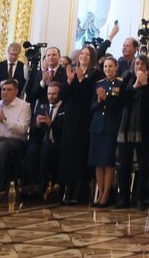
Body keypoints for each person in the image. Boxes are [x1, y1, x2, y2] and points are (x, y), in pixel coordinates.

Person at [60, 45, 100, 204]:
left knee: (81, 153)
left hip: (85, 118)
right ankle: (66, 189)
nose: (83, 56)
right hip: (70, 117)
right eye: (82, 53)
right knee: (68, 153)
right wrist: (70, 81)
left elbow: (88, 96)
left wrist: (81, 80)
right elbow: (62, 95)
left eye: (87, 54)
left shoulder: (96, 74)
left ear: (92, 58)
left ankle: (79, 190)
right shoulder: (70, 72)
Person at [116, 54, 149, 208]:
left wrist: (145, 85)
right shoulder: (127, 80)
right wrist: (135, 87)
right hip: (125, 128)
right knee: (124, 164)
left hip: (144, 128)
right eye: (136, 64)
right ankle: (123, 198)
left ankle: (141, 198)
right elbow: (122, 101)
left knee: (142, 165)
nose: (138, 66)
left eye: (141, 64)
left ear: (146, 66)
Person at [89, 54, 128, 206]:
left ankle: (106, 193)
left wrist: (106, 99)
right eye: (105, 66)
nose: (107, 69)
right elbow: (92, 107)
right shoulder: (98, 83)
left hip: (112, 125)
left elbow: (119, 106)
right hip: (97, 125)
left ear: (116, 67)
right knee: (98, 161)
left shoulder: (121, 83)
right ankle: (99, 192)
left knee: (108, 161)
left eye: (110, 66)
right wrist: (99, 100)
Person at [27, 81, 65, 200]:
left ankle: (44, 183)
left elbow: (65, 131)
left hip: (58, 143)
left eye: (54, 94)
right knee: (32, 150)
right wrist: (37, 124)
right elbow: (32, 129)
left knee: (46, 151)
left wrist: (51, 124)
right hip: (42, 142)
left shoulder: (65, 108)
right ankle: (33, 183)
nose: (51, 96)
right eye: (49, 94)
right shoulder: (42, 107)